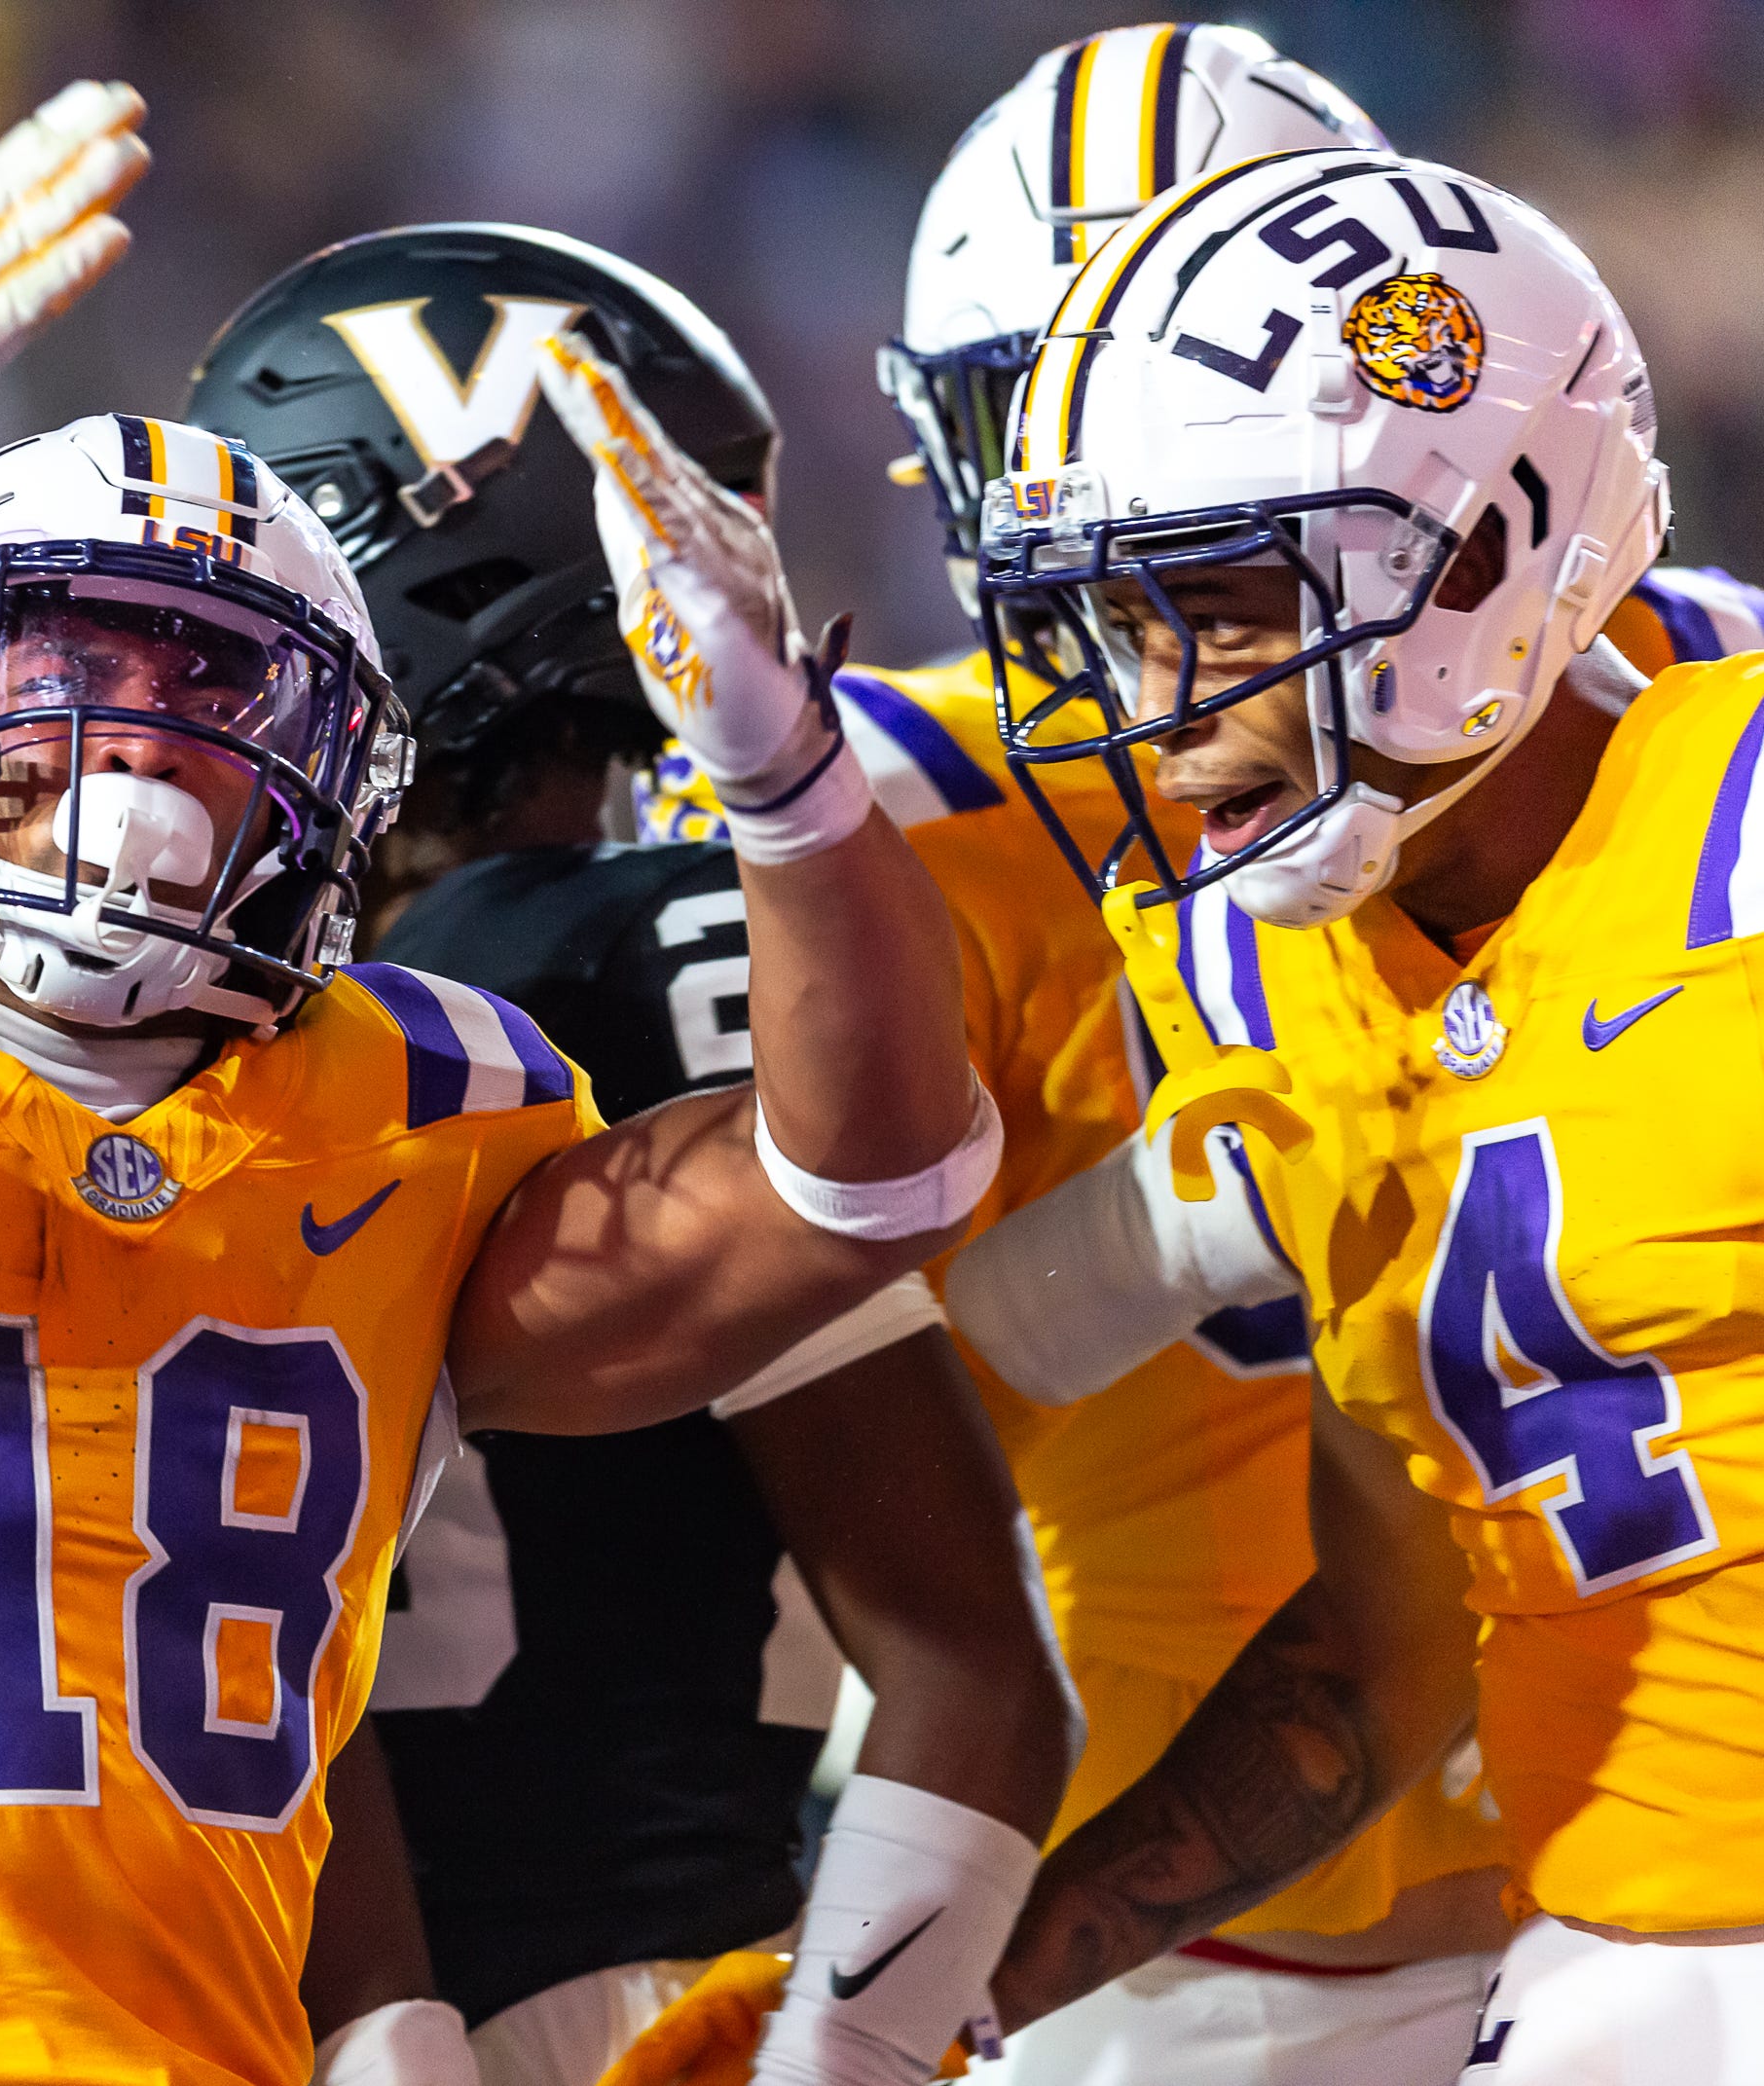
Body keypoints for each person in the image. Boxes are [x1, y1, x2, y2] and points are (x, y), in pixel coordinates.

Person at [0, 72, 1007, 2086]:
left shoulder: (403, 1111)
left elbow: (877, 1181)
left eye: (218, 702)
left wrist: (780, 770)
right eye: (77, 681)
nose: (142, 758)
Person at [182, 224, 1075, 2086]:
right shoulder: (239, 989)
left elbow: (967, 1655)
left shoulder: (598, 953)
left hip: (617, 2003)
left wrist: (841, 2057)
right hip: (271, 1990)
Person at [964, 146, 1764, 2079]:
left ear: (1485, 547)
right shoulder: (1265, 968)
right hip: (1604, 1952)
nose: (1162, 712)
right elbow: (1381, 1646)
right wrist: (951, 2002)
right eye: (1123, 627)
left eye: (1225, 611)